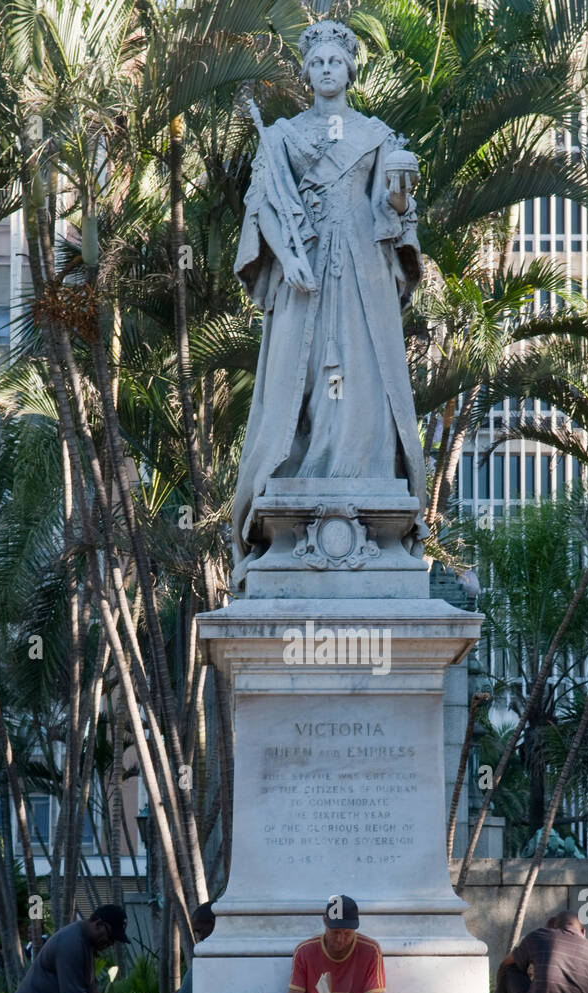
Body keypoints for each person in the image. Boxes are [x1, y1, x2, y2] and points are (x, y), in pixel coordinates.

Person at [232, 18, 427, 577]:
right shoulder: (286, 135)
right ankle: (297, 471)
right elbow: (262, 201)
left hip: (362, 270)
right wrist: (288, 257)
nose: (325, 70)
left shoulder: (376, 134)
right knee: (306, 370)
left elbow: (393, 212)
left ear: (349, 70)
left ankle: (356, 471)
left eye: (334, 62)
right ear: (306, 72)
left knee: (359, 374)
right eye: (316, 62)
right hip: (304, 272)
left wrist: (396, 193)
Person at [262, 893, 406, 993]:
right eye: (335, 932)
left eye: (347, 933)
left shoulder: (370, 949)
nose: (341, 939)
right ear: (325, 922)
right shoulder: (305, 951)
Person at [131, 902, 216, 993]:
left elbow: (185, 992)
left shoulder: (214, 959)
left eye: (200, 930)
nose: (200, 938)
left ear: (213, 923)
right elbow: (183, 992)